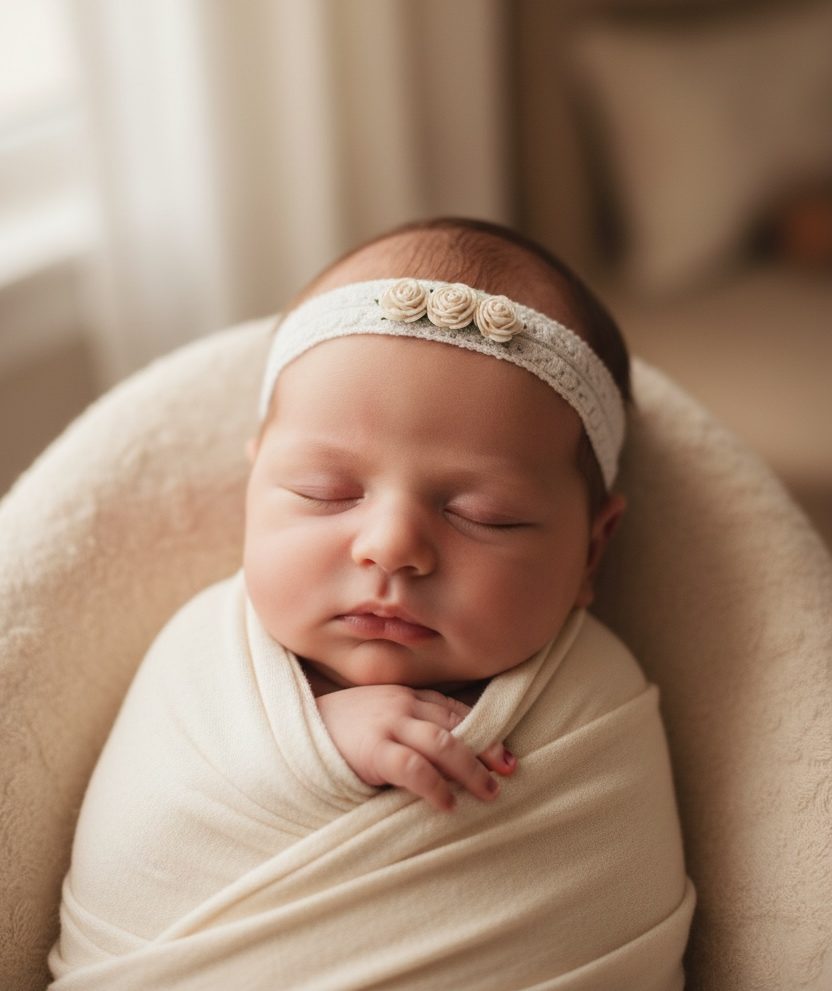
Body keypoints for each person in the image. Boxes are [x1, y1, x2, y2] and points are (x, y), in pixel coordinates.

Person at [49, 218, 695, 990]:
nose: (391, 547)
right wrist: (308, 749)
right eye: (326, 494)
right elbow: (151, 829)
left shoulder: (599, 700)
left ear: (592, 548)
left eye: (484, 515)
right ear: (253, 488)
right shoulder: (202, 659)